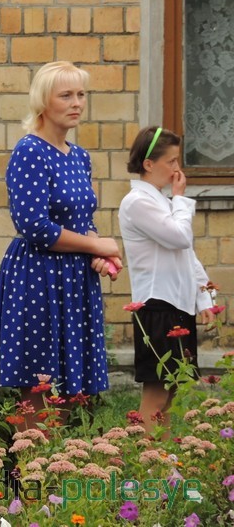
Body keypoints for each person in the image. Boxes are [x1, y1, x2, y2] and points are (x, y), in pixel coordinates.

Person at [0, 61, 123, 428]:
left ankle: (54, 477)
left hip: (74, 277)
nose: (76, 102)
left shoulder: (80, 156)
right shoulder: (30, 151)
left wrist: (97, 246)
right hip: (39, 276)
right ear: (42, 101)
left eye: (81, 94)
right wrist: (96, 246)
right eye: (66, 95)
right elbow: (36, 227)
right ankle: (29, 477)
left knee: (67, 391)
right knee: (38, 392)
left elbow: (82, 220)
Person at [119, 126, 215, 433]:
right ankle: (144, 468)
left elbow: (187, 257)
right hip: (157, 306)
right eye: (171, 161)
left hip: (176, 304)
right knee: (157, 396)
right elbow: (180, 237)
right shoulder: (137, 202)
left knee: (172, 393)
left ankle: (163, 468)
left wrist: (204, 298)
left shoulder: (161, 201)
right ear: (149, 164)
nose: (177, 169)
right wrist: (180, 200)